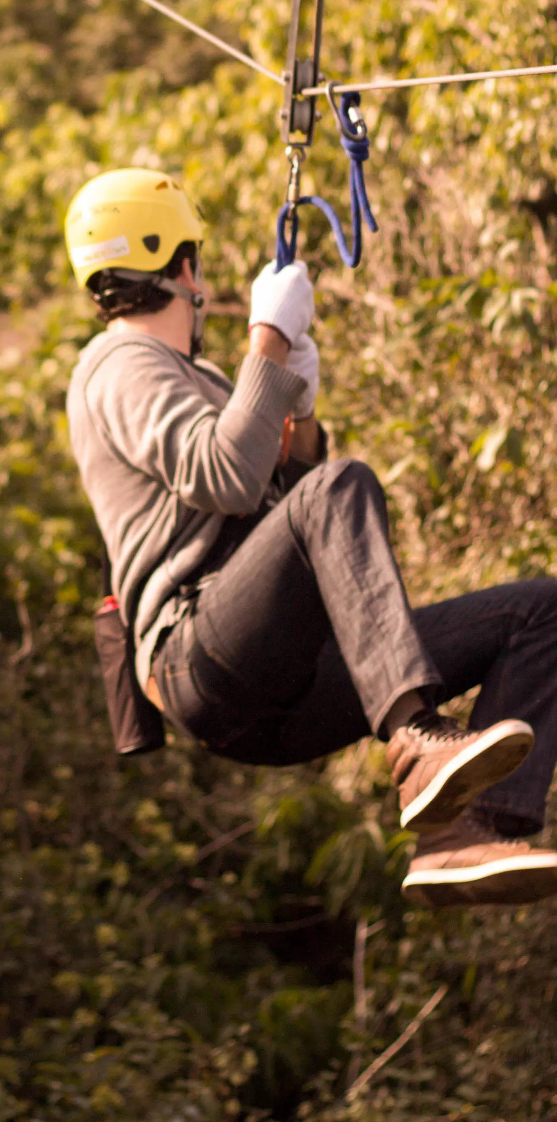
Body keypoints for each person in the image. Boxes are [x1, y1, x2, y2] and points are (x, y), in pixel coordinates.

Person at [65, 167, 557, 908]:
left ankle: (463, 835)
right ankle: (414, 734)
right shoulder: (119, 364)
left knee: (540, 612)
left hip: (278, 677)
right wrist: (265, 338)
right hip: (197, 658)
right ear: (184, 268)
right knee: (343, 485)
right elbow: (227, 479)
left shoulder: (187, 375)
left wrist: (294, 413)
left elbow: (281, 520)